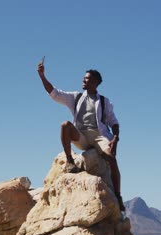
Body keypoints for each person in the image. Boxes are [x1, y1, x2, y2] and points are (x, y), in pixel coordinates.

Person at [37, 58, 125, 211]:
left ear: (96, 83)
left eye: (87, 79)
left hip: (99, 136)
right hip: (81, 136)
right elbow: (54, 93)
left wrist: (115, 139)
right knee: (65, 125)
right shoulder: (76, 97)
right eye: (84, 78)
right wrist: (42, 76)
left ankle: (118, 195)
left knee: (111, 158)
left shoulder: (104, 102)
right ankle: (71, 162)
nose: (83, 81)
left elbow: (114, 123)